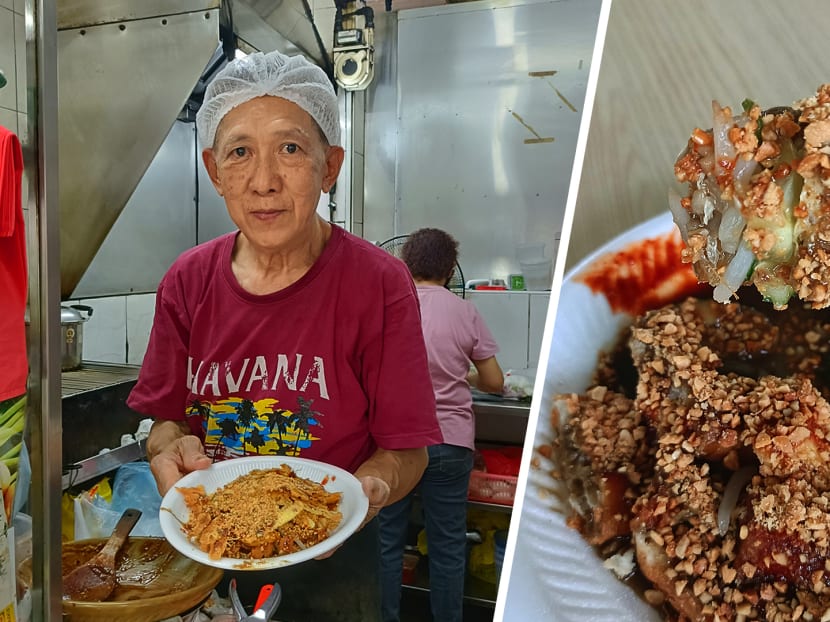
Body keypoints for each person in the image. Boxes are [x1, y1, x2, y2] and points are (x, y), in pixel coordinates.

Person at [126, 50, 443, 622]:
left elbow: (406, 450)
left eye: (291, 149)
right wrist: (164, 448)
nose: (264, 181)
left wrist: (362, 494)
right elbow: (166, 422)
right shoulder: (187, 280)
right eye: (240, 152)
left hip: (335, 562)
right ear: (213, 170)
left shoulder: (377, 282)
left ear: (330, 166)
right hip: (208, 552)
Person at [378, 228, 504, 622]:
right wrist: (461, 375)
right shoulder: (464, 311)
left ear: (404, 263)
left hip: (395, 443)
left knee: (387, 542)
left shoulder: (389, 305)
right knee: (448, 544)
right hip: (450, 444)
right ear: (450, 270)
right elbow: (496, 382)